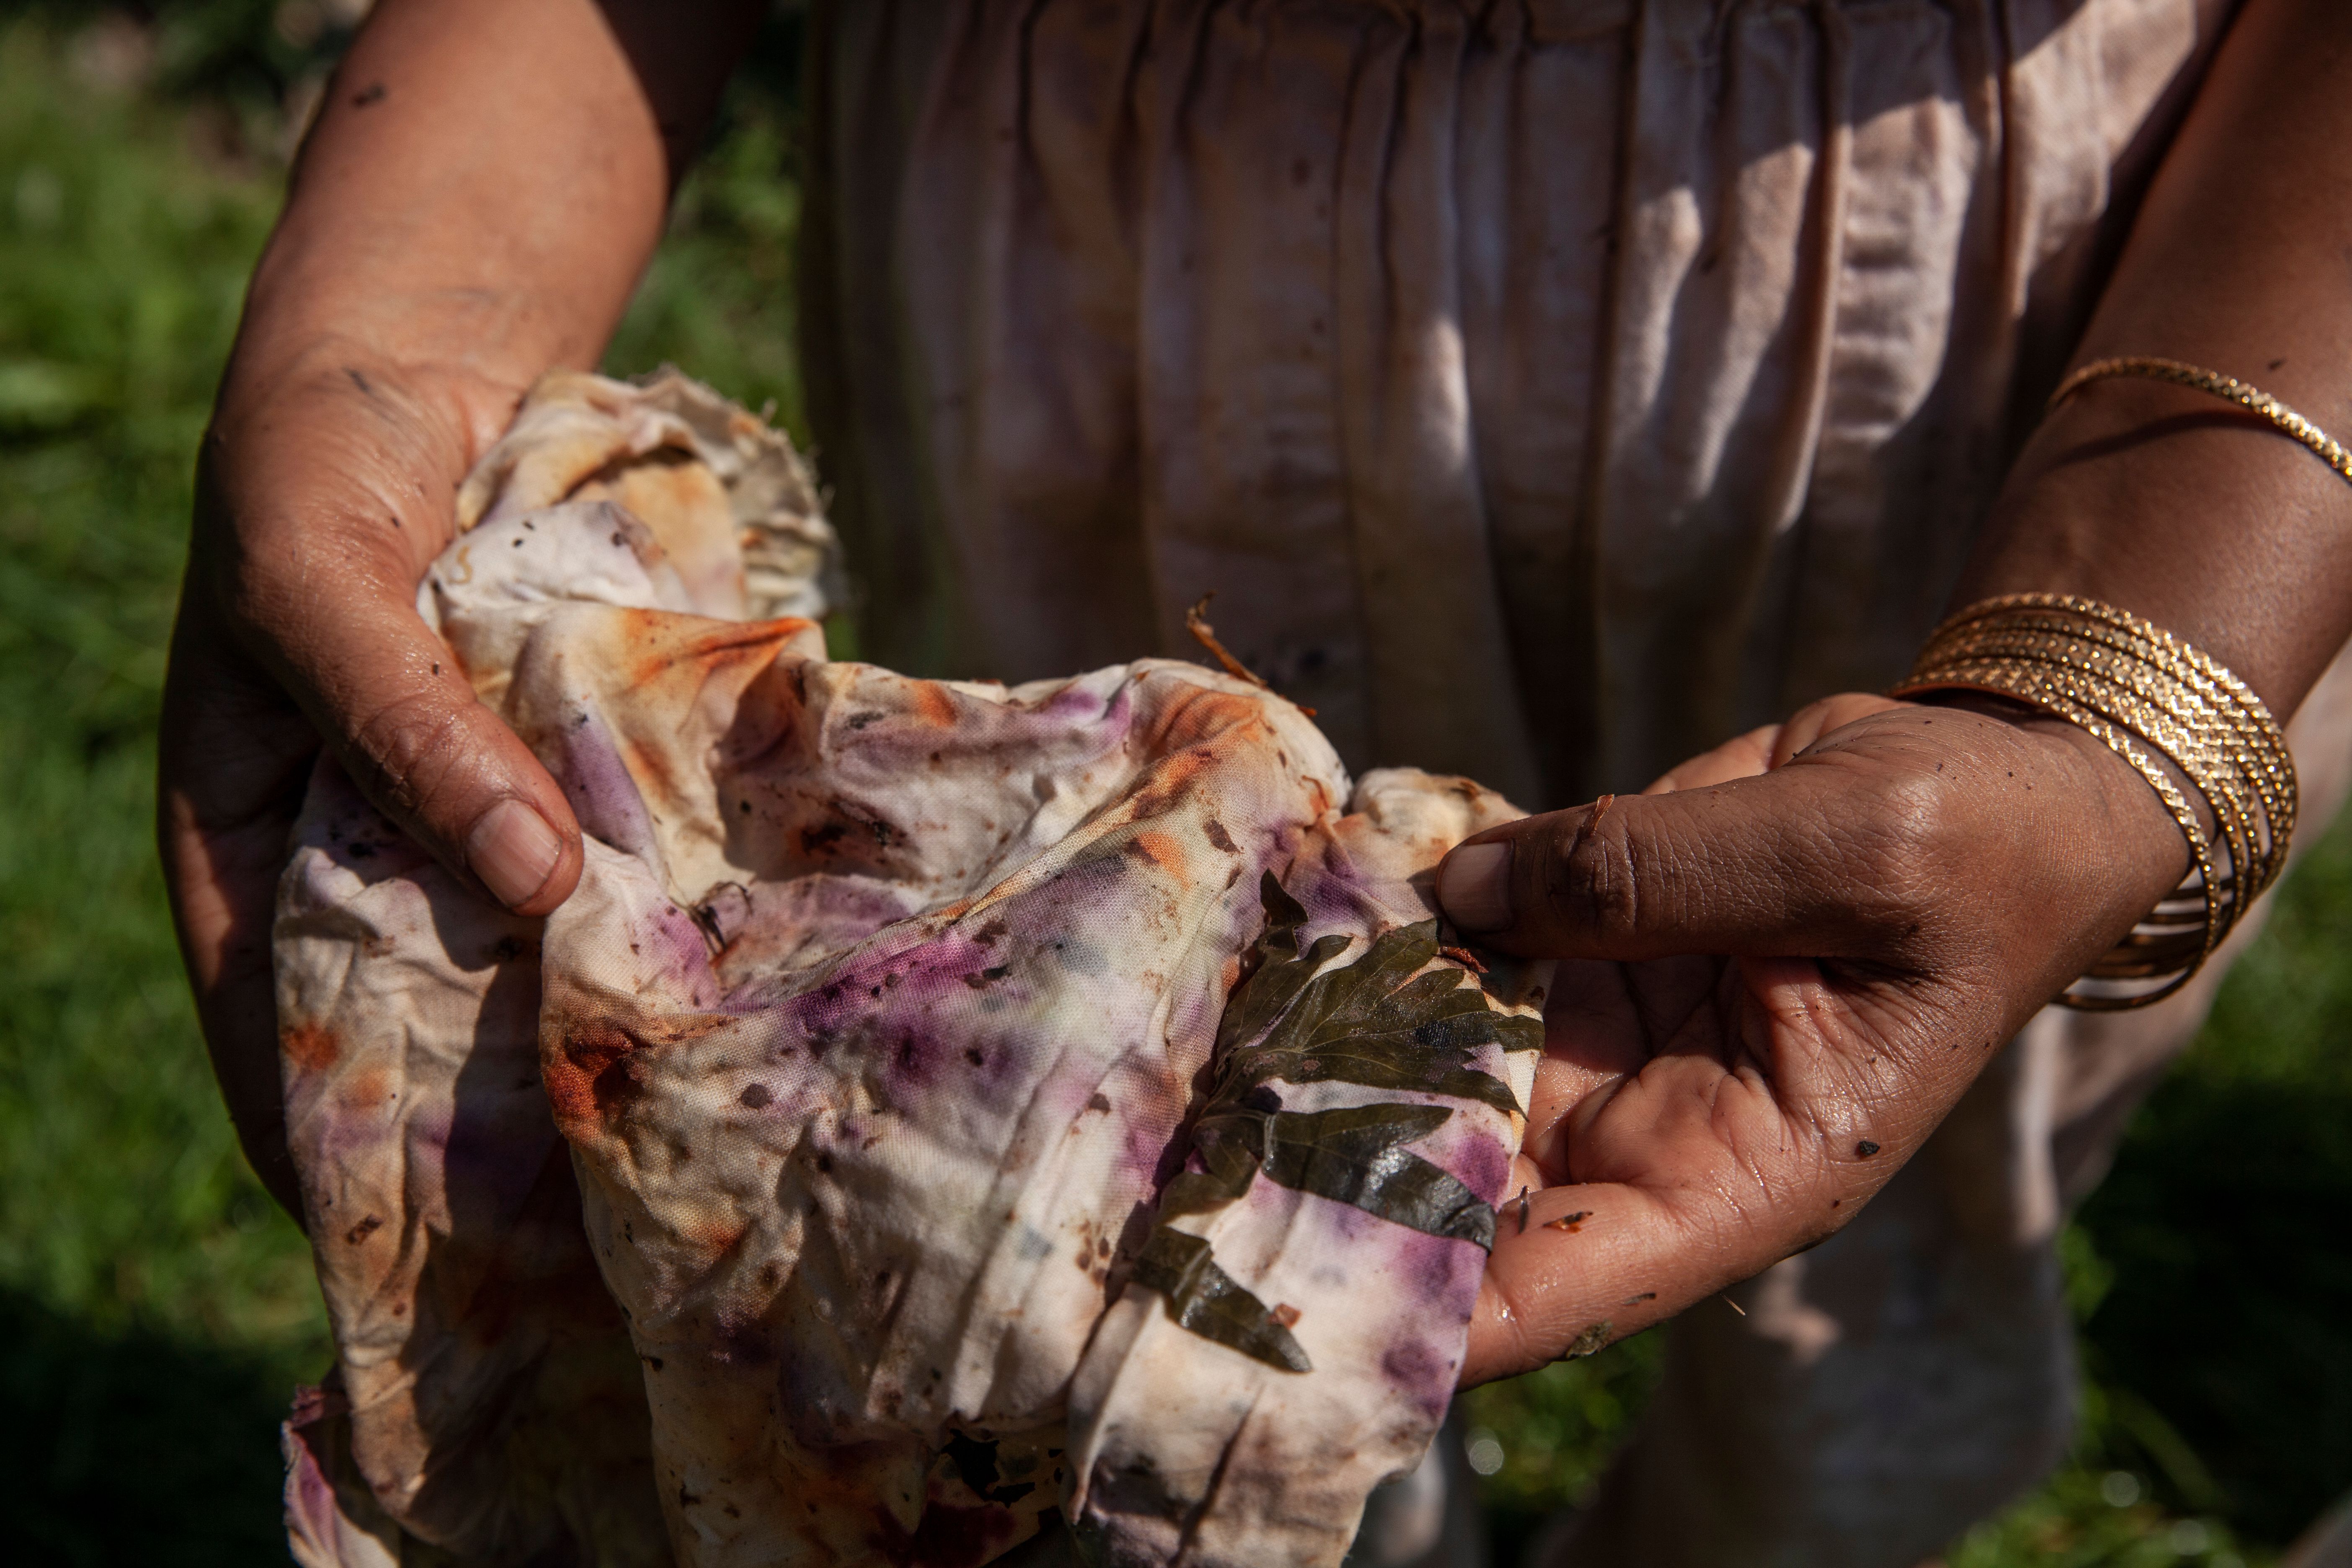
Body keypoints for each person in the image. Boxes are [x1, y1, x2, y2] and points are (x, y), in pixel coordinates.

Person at [158, 1, 2352, 1563]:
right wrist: (393, 339)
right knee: (1042, 1253)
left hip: (2000, 357)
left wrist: (2113, 702)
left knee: (1838, 1233)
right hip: (1092, 264)